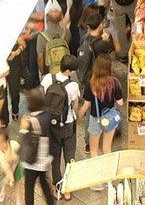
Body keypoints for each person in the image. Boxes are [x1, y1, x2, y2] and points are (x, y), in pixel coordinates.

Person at [44, 53, 80, 198]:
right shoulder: (73, 85)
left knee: (55, 156)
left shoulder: (47, 78)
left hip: (51, 124)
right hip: (68, 124)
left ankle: (56, 187)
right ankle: (68, 189)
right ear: (69, 71)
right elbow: (75, 106)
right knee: (69, 156)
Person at [18, 86, 55, 205]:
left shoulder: (31, 121)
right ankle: (51, 202)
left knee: (29, 187)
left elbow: (26, 140)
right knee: (44, 182)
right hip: (44, 157)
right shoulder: (47, 114)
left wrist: (23, 129)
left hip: (32, 160)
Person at [84, 54, 123, 157]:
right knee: (107, 148)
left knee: (94, 150)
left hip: (95, 118)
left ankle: (97, 171)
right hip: (109, 118)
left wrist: (79, 113)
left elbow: (86, 104)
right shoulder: (114, 82)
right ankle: (108, 170)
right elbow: (120, 103)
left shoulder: (91, 84)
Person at [0, 125, 24, 205]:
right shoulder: (1, 153)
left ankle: (19, 202)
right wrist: (11, 178)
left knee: (17, 187)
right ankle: (3, 192)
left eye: (1, 143)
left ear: (7, 141)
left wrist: (14, 157)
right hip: (6, 171)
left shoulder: (14, 144)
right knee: (5, 183)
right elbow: (6, 168)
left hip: (16, 168)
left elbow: (21, 153)